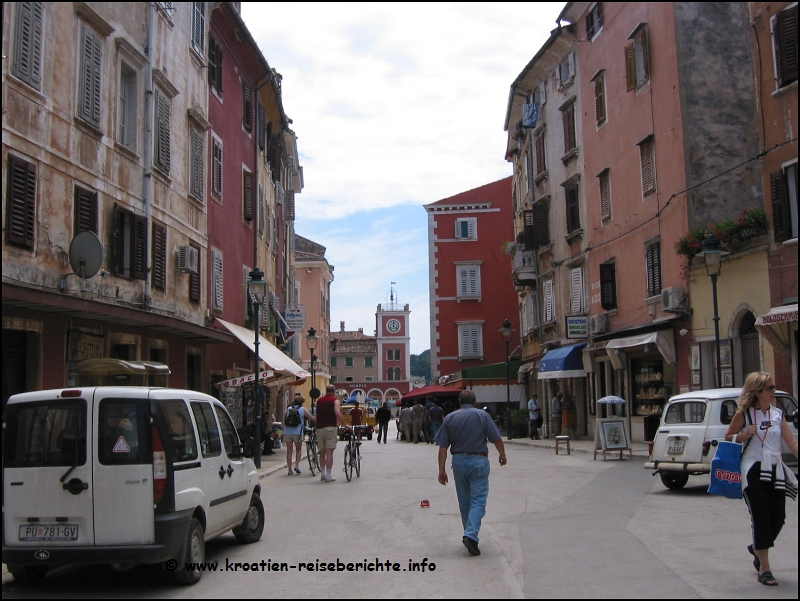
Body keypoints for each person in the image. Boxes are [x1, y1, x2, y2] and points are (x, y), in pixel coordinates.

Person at [724, 372, 798, 587]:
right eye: (770, 388)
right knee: (761, 518)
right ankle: (764, 567)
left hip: (774, 468)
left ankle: (757, 547)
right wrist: (745, 435)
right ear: (757, 392)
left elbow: (791, 441)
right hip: (752, 468)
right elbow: (728, 437)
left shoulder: (777, 414)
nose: (774, 392)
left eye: (774, 387)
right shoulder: (744, 414)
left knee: (779, 518)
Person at [435, 390, 507, 556]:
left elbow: (443, 447)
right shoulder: (482, 416)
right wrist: (502, 455)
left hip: (459, 462)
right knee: (478, 501)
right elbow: (496, 438)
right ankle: (470, 534)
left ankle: (470, 534)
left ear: (460, 402)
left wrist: (441, 469)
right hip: (479, 461)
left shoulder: (450, 418)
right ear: (475, 401)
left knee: (464, 502)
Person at [314, 385, 351, 482]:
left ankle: (322, 473)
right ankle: (328, 474)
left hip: (319, 428)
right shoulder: (335, 400)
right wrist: (345, 424)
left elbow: (317, 414)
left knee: (322, 452)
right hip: (330, 427)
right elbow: (337, 413)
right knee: (329, 452)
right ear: (334, 391)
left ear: (326, 391)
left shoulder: (319, 401)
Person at [283, 396, 315, 476]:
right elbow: (311, 418)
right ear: (302, 402)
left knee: (289, 451)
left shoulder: (289, 408)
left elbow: (285, 417)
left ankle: (289, 469)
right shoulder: (303, 409)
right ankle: (296, 465)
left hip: (287, 431)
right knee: (298, 450)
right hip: (297, 432)